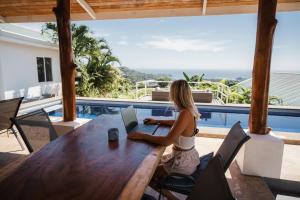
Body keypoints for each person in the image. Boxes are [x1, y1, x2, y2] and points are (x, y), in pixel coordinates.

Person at [128, 79, 201, 178]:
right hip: (185, 157)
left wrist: (142, 136)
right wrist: (157, 121)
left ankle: (170, 193)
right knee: (150, 162)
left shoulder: (185, 113)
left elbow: (166, 141)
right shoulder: (189, 110)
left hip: (182, 162)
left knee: (146, 175)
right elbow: (177, 123)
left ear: (175, 94)